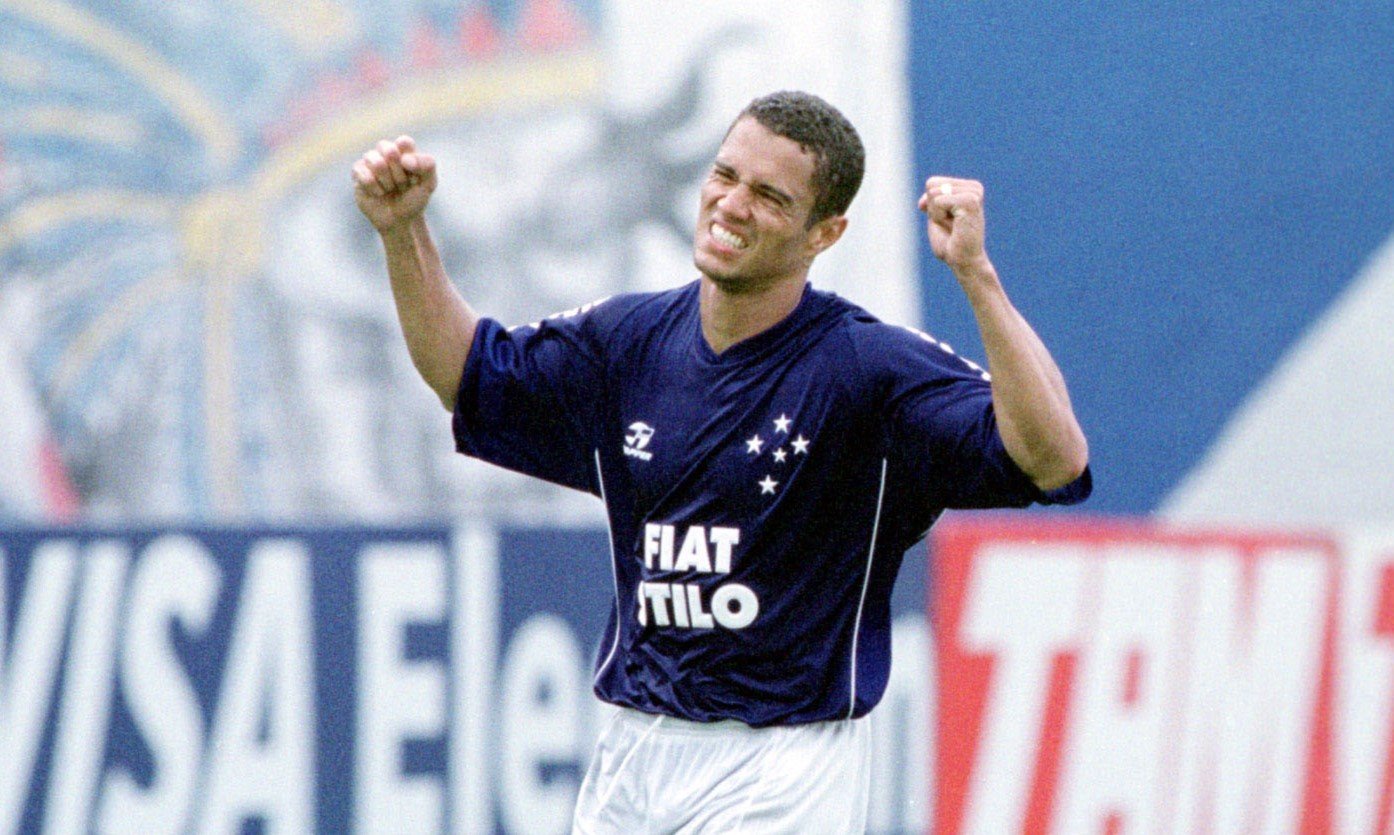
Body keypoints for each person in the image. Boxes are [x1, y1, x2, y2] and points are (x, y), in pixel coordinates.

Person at [353, 90, 1090, 834]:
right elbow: (469, 377)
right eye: (725, 174)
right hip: (632, 752)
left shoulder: (868, 369)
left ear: (823, 233)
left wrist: (976, 275)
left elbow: (1054, 456)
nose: (732, 204)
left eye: (769, 195)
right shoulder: (627, 342)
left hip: (782, 764)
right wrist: (403, 230)